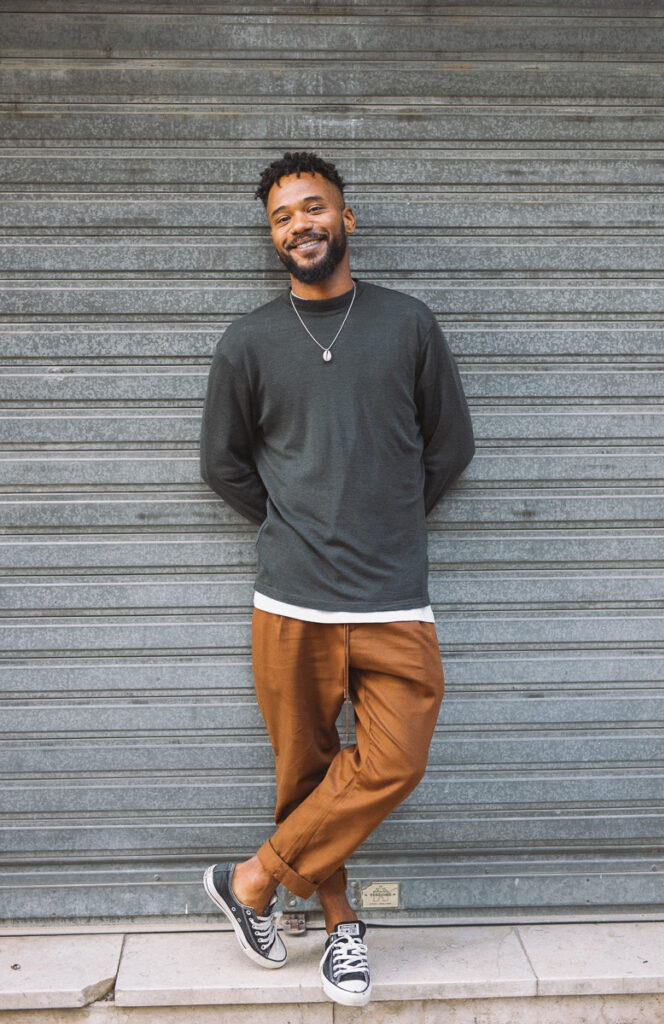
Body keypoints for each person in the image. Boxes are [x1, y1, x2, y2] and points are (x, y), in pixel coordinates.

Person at [199, 151, 474, 1007]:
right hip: (291, 599)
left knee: (396, 759)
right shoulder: (248, 341)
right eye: (281, 218)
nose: (299, 226)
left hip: (394, 597)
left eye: (313, 208)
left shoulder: (407, 324)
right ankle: (341, 926)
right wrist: (298, 525)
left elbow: (450, 445)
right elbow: (222, 465)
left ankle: (252, 879)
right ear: (272, 237)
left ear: (345, 219)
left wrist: (384, 520)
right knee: (305, 775)